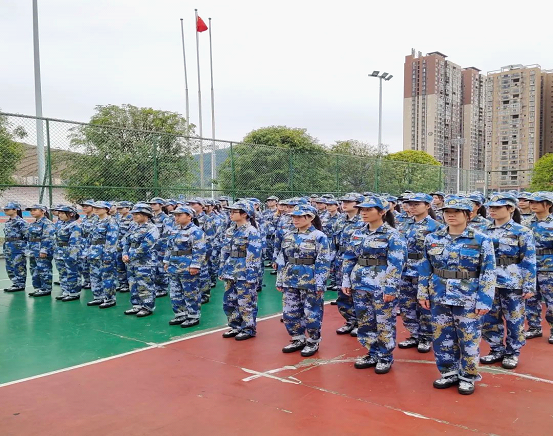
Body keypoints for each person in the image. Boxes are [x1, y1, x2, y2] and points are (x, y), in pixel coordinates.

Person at [418, 196, 496, 395]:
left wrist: (485, 300)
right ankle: (449, 372)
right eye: (447, 212)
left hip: (468, 297)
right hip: (439, 294)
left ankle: (468, 376)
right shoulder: (432, 238)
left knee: (468, 338)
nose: (450, 215)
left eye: (456, 212)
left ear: (468, 215)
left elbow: (488, 271)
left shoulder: (481, 239)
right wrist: (422, 292)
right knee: (441, 336)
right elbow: (425, 267)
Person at [342, 197, 407, 374]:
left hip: (381, 285)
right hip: (360, 283)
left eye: (369, 209)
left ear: (382, 212)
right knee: (365, 321)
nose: (363, 212)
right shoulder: (357, 233)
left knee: (384, 322)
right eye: (362, 209)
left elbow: (396, 263)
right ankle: (372, 352)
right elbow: (349, 258)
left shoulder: (392, 235)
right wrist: (346, 279)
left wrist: (391, 287)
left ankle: (385, 356)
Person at [480, 193, 536, 369]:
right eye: (491, 207)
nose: (493, 210)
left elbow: (529, 260)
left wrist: (529, 285)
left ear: (511, 208)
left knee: (514, 319)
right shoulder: (483, 230)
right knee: (489, 318)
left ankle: (512, 352)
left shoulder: (522, 232)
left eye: (497, 207)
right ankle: (496, 348)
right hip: (488, 282)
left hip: (513, 282)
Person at [276, 204, 331, 357]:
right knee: (290, 311)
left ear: (311, 218)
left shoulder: (319, 236)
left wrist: (320, 283)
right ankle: (297, 338)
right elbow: (282, 258)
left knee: (311, 312)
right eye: (294, 216)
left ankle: (313, 340)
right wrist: (280, 279)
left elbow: (323, 261)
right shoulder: (288, 235)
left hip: (310, 279)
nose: (295, 219)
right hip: (290, 278)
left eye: (300, 216)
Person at [398, 193, 441, 353]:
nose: (412, 207)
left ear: (428, 206)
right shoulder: (404, 224)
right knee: (406, 305)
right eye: (410, 204)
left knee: (425, 306)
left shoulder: (435, 227)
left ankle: (426, 337)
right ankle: (414, 334)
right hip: (405, 270)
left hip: (423, 271)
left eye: (417, 204)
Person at [219, 200, 262, 341]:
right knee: (229, 301)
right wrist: (222, 269)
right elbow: (225, 251)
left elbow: (254, 255)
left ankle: (248, 328)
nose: (231, 214)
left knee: (245, 302)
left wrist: (251, 275)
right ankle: (235, 325)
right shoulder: (230, 231)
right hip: (230, 270)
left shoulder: (251, 231)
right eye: (230, 211)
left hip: (244, 271)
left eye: (234, 212)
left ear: (244, 214)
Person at [164, 205, 207, 327]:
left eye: (179, 215)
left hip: (187, 266)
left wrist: (195, 265)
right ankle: (180, 314)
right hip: (174, 265)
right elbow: (169, 247)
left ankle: (193, 315)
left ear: (189, 216)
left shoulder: (196, 231)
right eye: (175, 215)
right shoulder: (174, 230)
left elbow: (199, 250)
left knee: (190, 292)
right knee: (175, 292)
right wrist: (166, 261)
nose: (176, 218)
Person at [333, 193, 364, 336]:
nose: (344, 204)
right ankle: (350, 320)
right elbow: (334, 242)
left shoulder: (363, 221)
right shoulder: (340, 220)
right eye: (343, 201)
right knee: (343, 293)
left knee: (358, 293)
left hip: (357, 262)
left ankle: (361, 322)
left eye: (348, 202)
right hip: (341, 260)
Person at [122, 203, 159, 317]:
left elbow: (145, 246)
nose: (134, 216)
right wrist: (124, 253)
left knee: (144, 285)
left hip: (145, 262)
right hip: (131, 261)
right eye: (133, 213)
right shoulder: (133, 226)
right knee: (132, 284)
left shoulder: (152, 228)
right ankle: (136, 305)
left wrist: (130, 256)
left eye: (137, 214)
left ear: (146, 215)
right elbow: (126, 241)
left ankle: (147, 307)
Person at [526, 192, 553, 343]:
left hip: (549, 268)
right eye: (531, 202)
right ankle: (534, 327)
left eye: (537, 202)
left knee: (551, 301)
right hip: (530, 267)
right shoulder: (526, 223)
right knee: (530, 299)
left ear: (548, 204)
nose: (533, 205)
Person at [87, 201, 119, 308]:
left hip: (104, 252)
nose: (96, 209)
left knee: (107, 276)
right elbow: (90, 238)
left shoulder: (111, 221)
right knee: (95, 275)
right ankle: (98, 297)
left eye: (99, 208)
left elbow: (112, 240)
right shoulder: (95, 221)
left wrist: (108, 255)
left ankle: (109, 298)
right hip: (93, 252)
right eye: (95, 207)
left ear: (106, 209)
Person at [53, 205, 82, 301]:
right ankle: (65, 291)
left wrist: (72, 255)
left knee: (72, 272)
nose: (60, 215)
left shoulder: (75, 225)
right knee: (62, 273)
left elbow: (75, 242)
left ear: (71, 214)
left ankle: (74, 292)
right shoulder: (60, 224)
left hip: (69, 252)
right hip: (59, 252)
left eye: (62, 213)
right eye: (59, 213)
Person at [26, 204, 55, 297]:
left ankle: (46, 288)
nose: (32, 212)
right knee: (34, 269)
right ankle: (38, 288)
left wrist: (44, 250)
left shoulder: (47, 223)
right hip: (33, 250)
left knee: (44, 269)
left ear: (43, 211)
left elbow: (48, 237)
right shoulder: (33, 224)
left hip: (41, 250)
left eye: (35, 210)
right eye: (31, 210)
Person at [147, 197, 171, 298]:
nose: (152, 206)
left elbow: (166, 235)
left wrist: (159, 246)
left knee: (161, 268)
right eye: (151, 204)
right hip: (151, 246)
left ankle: (162, 288)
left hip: (161, 247)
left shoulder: (166, 218)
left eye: (154, 204)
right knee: (153, 267)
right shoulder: (150, 217)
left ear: (161, 205)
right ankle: (156, 287)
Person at [2, 202, 28, 292]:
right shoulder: (8, 222)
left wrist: (24, 247)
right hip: (8, 246)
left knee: (18, 265)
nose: (5, 211)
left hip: (18, 247)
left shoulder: (21, 222)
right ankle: (15, 283)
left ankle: (20, 284)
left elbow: (27, 235)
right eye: (5, 210)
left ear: (15, 210)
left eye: (7, 209)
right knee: (9, 266)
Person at [78, 199, 97, 289]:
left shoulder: (96, 218)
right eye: (83, 206)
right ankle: (86, 280)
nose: (84, 208)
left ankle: (92, 282)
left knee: (91, 264)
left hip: (92, 243)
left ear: (93, 207)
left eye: (87, 206)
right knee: (83, 263)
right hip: (83, 243)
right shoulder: (84, 218)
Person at [115, 201, 134, 293]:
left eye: (121, 208)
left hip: (126, 245)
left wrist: (123, 244)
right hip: (118, 245)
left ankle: (128, 284)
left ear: (128, 208)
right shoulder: (119, 218)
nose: (119, 210)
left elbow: (129, 233)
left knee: (127, 265)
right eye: (118, 208)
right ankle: (122, 283)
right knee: (119, 265)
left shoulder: (132, 218)